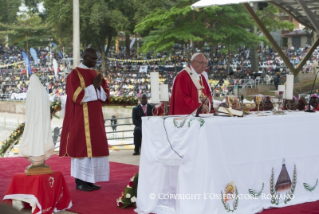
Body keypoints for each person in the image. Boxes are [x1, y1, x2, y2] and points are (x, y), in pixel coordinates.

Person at [59, 48, 110, 192]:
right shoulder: (74, 74)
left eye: (96, 59)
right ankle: (80, 182)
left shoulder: (95, 74)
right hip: (80, 119)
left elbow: (105, 95)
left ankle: (90, 180)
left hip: (96, 119)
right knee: (81, 149)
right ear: (85, 57)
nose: (95, 62)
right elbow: (76, 96)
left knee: (94, 150)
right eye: (93, 59)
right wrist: (93, 86)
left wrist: (98, 87)